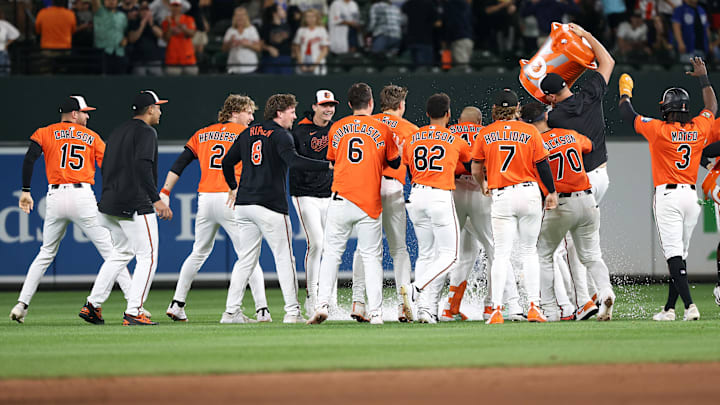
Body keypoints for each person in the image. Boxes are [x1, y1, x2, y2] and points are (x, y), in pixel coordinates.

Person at [9, 96, 133, 324]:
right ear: (74, 114)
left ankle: (21, 304)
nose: (88, 116)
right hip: (82, 195)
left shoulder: (45, 132)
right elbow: (110, 168)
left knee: (45, 253)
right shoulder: (92, 136)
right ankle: (135, 305)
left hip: (55, 197)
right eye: (85, 112)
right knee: (113, 252)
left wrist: (26, 190)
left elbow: (30, 158)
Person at [619, 57, 717, 321]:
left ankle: (690, 306)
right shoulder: (698, 128)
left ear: (665, 109)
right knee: (680, 256)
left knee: (674, 255)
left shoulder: (659, 130)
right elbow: (712, 105)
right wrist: (704, 77)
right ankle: (669, 309)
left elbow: (627, 114)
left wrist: (625, 93)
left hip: (669, 197)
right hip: (690, 196)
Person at [220, 94, 331, 324]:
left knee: (246, 261)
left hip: (244, 205)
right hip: (270, 205)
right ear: (279, 113)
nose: (294, 116)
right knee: (284, 258)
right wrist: (328, 165)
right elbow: (295, 161)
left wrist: (233, 187)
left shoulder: (248, 132)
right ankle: (293, 312)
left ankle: (230, 312)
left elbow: (226, 162)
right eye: (291, 111)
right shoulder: (281, 135)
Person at [160, 95, 271, 323]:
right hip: (231, 198)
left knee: (198, 252)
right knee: (248, 256)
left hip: (206, 200)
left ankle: (177, 303)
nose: (251, 117)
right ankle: (262, 310)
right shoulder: (245, 134)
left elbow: (179, 164)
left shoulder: (202, 133)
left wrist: (165, 192)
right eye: (248, 112)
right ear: (234, 112)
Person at [307, 83, 400, 325]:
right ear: (371, 103)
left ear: (349, 105)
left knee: (331, 256)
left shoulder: (336, 127)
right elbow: (395, 163)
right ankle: (377, 313)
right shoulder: (383, 128)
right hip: (368, 202)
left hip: (340, 198)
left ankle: (322, 304)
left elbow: (333, 161)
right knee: (371, 258)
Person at [80, 90, 173, 326]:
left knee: (120, 254)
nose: (161, 111)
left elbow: (106, 167)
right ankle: (134, 310)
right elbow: (143, 167)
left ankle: (93, 305)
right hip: (135, 204)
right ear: (150, 109)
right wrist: (156, 199)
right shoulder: (146, 132)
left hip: (110, 203)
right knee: (148, 257)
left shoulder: (118, 131)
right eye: (158, 107)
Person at [541, 22, 615, 318]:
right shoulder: (590, 93)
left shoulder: (554, 117)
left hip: (578, 184)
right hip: (602, 177)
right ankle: (601, 292)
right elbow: (607, 61)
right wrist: (586, 35)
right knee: (587, 246)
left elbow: (539, 125)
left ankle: (583, 300)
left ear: (550, 96)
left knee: (569, 247)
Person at [522, 102, 616, 322]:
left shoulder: (532, 143)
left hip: (561, 203)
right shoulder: (569, 134)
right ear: (546, 115)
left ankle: (550, 309)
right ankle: (605, 291)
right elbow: (590, 146)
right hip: (587, 199)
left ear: (525, 123)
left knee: (544, 255)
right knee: (592, 256)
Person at [470, 89, 558, 325]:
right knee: (529, 252)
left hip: (502, 195)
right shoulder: (530, 130)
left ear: (495, 110)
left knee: (501, 254)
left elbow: (476, 169)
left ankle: (498, 309)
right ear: (517, 109)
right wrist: (551, 192)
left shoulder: (486, 133)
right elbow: (543, 165)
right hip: (529, 193)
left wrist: (483, 184)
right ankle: (533, 307)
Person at [442, 106, 524, 322]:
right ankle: (499, 306)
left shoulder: (449, 133)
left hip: (454, 193)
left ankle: (445, 307)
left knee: (454, 253)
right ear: (479, 121)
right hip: (481, 193)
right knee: (495, 251)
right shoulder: (486, 132)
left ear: (458, 119)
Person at [398, 93, 470, 323]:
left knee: (426, 253)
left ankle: (425, 310)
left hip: (416, 195)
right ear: (449, 114)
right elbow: (470, 167)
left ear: (427, 114)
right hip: (440, 196)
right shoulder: (456, 139)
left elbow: (409, 169)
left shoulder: (412, 138)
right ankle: (415, 289)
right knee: (451, 255)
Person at [350, 85, 418, 323]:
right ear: (401, 105)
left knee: (364, 248)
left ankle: (359, 302)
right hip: (392, 188)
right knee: (399, 249)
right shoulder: (410, 129)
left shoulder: (367, 123)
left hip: (366, 186)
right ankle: (403, 304)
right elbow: (415, 167)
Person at [289, 90, 339, 317]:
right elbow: (294, 161)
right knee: (317, 243)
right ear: (315, 106)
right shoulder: (299, 130)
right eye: (324, 105)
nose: (328, 109)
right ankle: (312, 297)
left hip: (329, 194)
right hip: (304, 193)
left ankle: (330, 299)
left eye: (331, 105)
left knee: (332, 247)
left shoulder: (336, 129)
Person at [127, 0, 164, 75]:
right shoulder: (134, 22)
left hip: (154, 59)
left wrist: (151, 25)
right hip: (138, 60)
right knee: (140, 85)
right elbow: (132, 39)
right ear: (139, 11)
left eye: (146, 9)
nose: (144, 12)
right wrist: (142, 25)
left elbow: (161, 35)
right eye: (142, 9)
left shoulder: (155, 22)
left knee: (158, 84)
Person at [91, 0, 129, 74]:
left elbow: (124, 32)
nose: (111, 1)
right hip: (103, 53)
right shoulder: (99, 11)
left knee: (120, 81)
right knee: (103, 82)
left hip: (119, 52)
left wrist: (125, 40)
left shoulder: (122, 15)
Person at [163, 0, 198, 75]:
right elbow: (166, 39)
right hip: (172, 59)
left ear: (180, 7)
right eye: (173, 6)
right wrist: (169, 26)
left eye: (177, 6)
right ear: (170, 7)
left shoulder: (188, 19)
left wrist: (179, 25)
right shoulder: (167, 21)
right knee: (172, 84)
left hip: (188, 58)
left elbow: (192, 34)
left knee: (192, 82)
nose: (175, 8)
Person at [223, 7, 261, 74]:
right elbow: (224, 49)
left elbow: (258, 48)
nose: (240, 17)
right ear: (234, 17)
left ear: (246, 16)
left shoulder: (252, 29)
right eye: (237, 15)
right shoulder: (230, 30)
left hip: (250, 67)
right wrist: (230, 42)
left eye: (242, 15)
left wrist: (247, 45)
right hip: (233, 67)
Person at [292, 9, 329, 75]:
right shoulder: (301, 30)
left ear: (317, 17)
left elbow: (325, 49)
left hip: (318, 62)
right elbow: (297, 48)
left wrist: (315, 65)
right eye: (308, 16)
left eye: (312, 16)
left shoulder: (322, 30)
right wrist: (301, 64)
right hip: (303, 61)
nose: (310, 19)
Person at [260, 4, 293, 74]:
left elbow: (291, 43)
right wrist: (269, 48)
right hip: (270, 59)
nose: (284, 11)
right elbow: (260, 44)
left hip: (285, 58)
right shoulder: (266, 26)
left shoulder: (287, 26)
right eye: (281, 9)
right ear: (274, 13)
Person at [0, 10, 20, 75]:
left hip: (2, 51)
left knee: (3, 74)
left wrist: (6, 44)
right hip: (2, 51)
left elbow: (16, 34)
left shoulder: (4, 24)